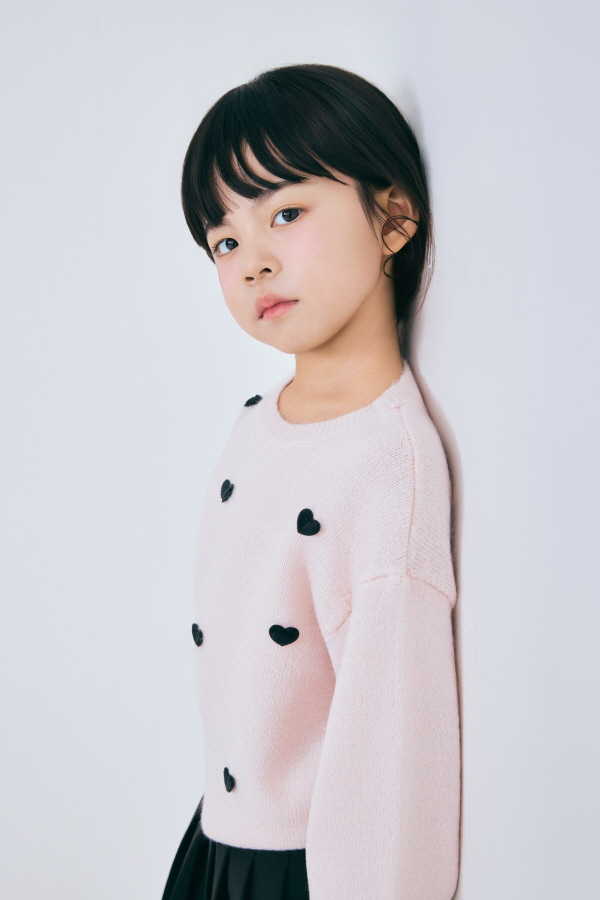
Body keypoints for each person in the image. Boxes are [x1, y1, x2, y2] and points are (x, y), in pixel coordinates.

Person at [161, 63, 461, 900]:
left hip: (305, 869)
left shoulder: (386, 467)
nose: (252, 262)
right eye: (225, 240)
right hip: (219, 839)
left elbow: (393, 769)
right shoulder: (258, 421)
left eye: (285, 214)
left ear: (393, 219)